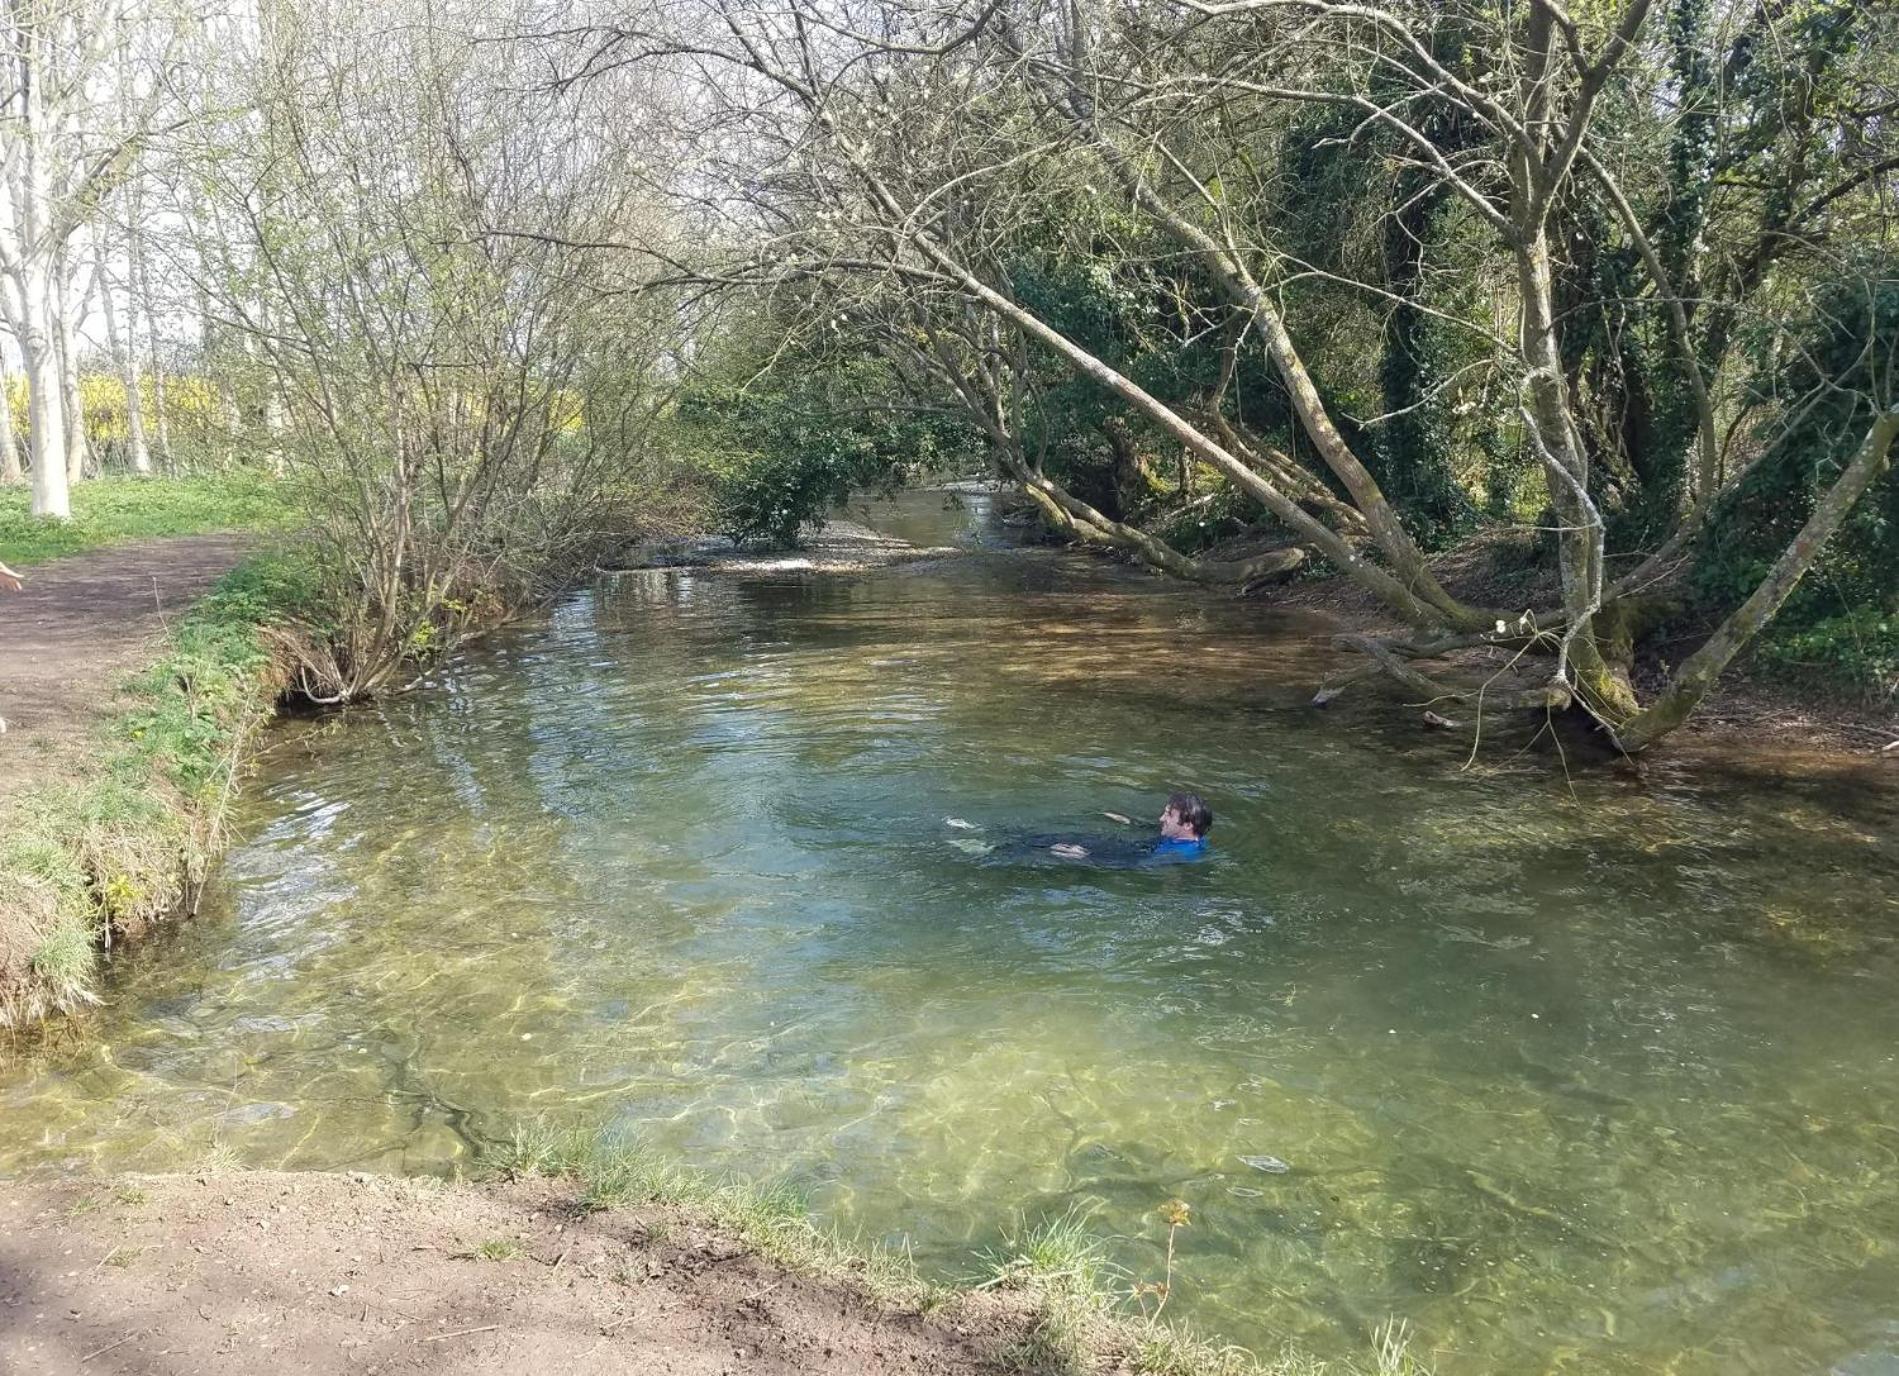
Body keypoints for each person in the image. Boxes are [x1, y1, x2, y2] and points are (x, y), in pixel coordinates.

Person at [1048, 791, 1212, 863]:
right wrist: (1130, 822)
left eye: (1168, 815)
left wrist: (1086, 856)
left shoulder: (1184, 854)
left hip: (1114, 856)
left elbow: (1137, 865)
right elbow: (1153, 829)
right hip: (1123, 848)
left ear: (1188, 824)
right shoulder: (1180, 836)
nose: (1161, 818)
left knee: (1048, 846)